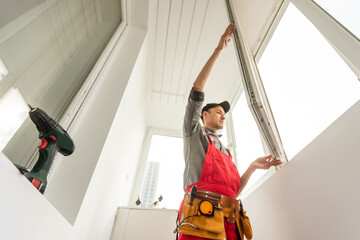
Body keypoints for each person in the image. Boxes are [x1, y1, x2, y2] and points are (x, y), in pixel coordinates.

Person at [176, 24, 282, 240]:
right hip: (200, 216)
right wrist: (218, 50)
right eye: (218, 112)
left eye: (225, 113)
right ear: (204, 114)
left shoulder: (227, 151)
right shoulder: (193, 133)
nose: (223, 115)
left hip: (231, 220)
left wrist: (252, 167)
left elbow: (233, 190)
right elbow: (197, 88)